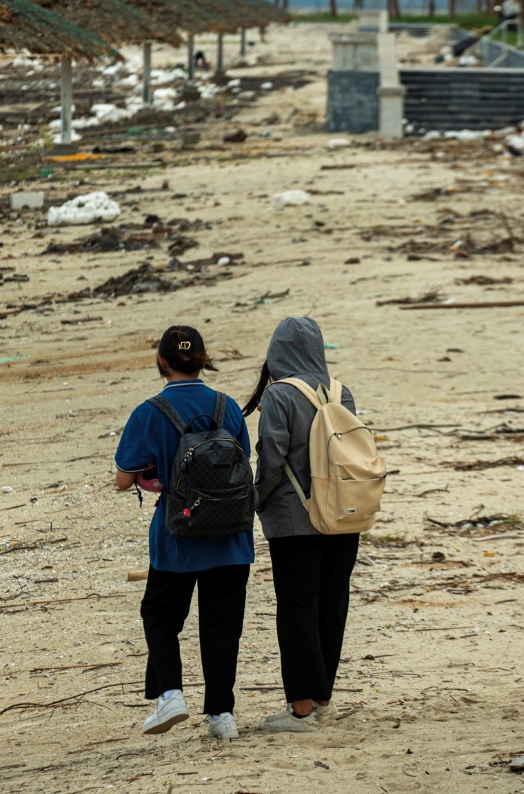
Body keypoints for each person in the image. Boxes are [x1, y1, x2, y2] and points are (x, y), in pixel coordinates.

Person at [114, 325, 254, 741]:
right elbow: (240, 460)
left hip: (177, 535)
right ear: (204, 360)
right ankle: (221, 715)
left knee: (159, 616)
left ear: (161, 361)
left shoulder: (149, 411)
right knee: (222, 626)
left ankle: (171, 692)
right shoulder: (227, 406)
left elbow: (124, 479)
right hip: (231, 534)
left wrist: (153, 477)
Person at [241, 317, 359, 733]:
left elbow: (271, 459)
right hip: (344, 517)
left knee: (297, 610)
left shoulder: (279, 396)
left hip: (297, 521)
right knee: (332, 605)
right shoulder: (343, 392)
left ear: (278, 351)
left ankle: (301, 710)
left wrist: (256, 500)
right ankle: (322, 700)